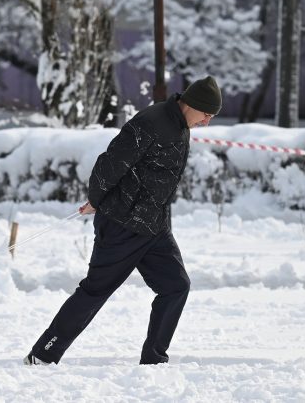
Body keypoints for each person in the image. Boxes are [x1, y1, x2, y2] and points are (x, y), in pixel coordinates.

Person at [23, 76, 222, 366]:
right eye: (206, 114)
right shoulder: (151, 122)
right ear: (192, 104)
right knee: (95, 291)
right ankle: (43, 354)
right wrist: (97, 199)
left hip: (154, 226)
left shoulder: (181, 126)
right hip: (122, 224)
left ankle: (154, 361)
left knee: (176, 286)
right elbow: (110, 163)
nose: (206, 122)